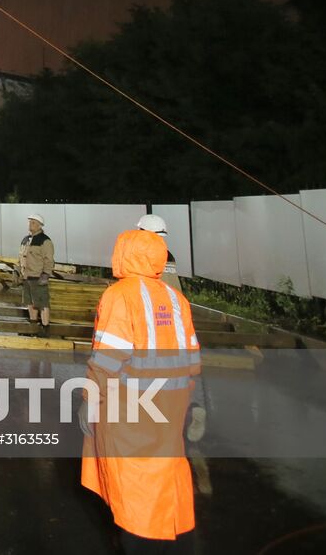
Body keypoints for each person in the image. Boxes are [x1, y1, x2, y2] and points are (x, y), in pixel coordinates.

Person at [81, 214, 204, 552]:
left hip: (129, 415)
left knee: (132, 494)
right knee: (163, 483)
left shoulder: (120, 296)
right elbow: (192, 361)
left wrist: (88, 399)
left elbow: (107, 359)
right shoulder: (176, 300)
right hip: (170, 412)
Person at [19, 213, 54, 335]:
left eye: (33, 222)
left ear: (39, 225)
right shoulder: (27, 240)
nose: (30, 224)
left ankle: (45, 327)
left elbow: (48, 259)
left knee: (42, 303)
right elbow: (22, 256)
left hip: (38, 276)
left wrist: (45, 274)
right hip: (27, 276)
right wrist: (18, 270)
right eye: (30, 222)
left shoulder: (45, 241)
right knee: (30, 303)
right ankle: (33, 327)